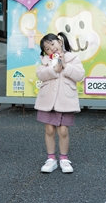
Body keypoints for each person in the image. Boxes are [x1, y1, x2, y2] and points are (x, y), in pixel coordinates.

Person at [35, 32, 85, 174]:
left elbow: (80, 75)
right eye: (47, 48)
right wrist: (53, 69)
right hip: (48, 101)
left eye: (53, 44)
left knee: (63, 131)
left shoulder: (72, 58)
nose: (51, 48)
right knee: (49, 130)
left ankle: (64, 159)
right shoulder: (45, 61)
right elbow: (40, 74)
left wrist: (65, 66)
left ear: (60, 42)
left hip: (65, 101)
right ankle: (51, 159)